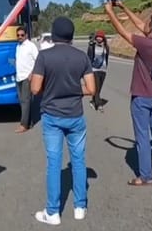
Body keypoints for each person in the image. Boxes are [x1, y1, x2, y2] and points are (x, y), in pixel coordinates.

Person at [30, 17, 95, 225]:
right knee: (79, 160)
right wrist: (75, 90)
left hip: (52, 115)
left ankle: (53, 212)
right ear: (72, 36)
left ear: (53, 34)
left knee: (54, 162)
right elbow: (92, 89)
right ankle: (80, 207)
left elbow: (35, 88)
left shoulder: (44, 56)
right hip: (75, 115)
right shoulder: (81, 57)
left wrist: (50, 87)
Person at [104, 0, 152, 186]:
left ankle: (145, 176)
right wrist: (124, 7)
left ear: (151, 29)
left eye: (147, 24)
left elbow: (122, 31)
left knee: (142, 136)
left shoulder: (145, 44)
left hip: (142, 97)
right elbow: (140, 25)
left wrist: (110, 12)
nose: (144, 25)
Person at [14, 26, 39, 133]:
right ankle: (29, 122)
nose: (20, 37)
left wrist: (32, 73)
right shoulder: (18, 46)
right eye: (18, 35)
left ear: (26, 35)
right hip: (19, 77)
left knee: (25, 101)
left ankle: (24, 125)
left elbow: (38, 60)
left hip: (27, 77)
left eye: (22, 35)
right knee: (22, 101)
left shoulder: (31, 46)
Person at [87, 30, 110, 112]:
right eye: (98, 37)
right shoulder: (92, 46)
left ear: (103, 38)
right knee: (96, 87)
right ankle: (99, 105)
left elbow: (106, 58)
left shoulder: (106, 47)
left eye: (101, 37)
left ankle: (93, 101)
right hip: (95, 69)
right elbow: (89, 58)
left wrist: (106, 67)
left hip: (103, 70)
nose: (99, 38)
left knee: (99, 87)